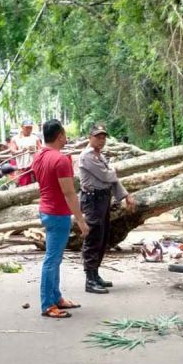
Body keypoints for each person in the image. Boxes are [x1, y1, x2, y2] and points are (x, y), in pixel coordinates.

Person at [33, 119, 90, 318]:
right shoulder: (60, 160)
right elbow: (69, 193)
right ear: (59, 136)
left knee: (54, 258)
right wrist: (81, 220)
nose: (66, 139)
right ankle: (47, 304)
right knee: (52, 259)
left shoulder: (39, 156)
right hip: (58, 214)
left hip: (46, 211)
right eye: (65, 135)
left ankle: (56, 297)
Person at [77, 123, 136, 294]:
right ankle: (89, 279)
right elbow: (107, 175)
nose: (101, 140)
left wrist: (126, 195)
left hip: (103, 199)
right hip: (92, 200)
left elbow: (112, 179)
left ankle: (95, 274)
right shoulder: (87, 156)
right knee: (93, 237)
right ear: (90, 138)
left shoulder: (100, 156)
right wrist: (113, 172)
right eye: (98, 137)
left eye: (103, 137)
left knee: (102, 238)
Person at [10, 120, 42, 186]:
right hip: (22, 166)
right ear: (22, 127)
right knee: (24, 184)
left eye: (30, 128)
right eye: (27, 128)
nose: (29, 129)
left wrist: (35, 151)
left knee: (38, 182)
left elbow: (40, 150)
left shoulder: (35, 138)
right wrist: (21, 151)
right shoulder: (15, 138)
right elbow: (13, 151)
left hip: (34, 165)